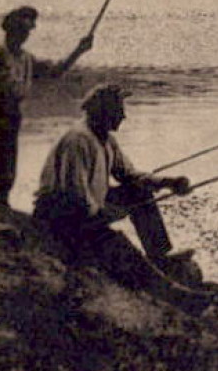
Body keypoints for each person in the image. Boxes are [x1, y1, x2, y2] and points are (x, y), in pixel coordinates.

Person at [32, 84, 208, 307]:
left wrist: (167, 183)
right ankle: (172, 293)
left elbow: (128, 175)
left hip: (86, 204)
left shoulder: (106, 139)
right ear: (103, 112)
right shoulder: (78, 140)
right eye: (118, 110)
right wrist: (102, 213)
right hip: (62, 214)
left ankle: (159, 257)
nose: (124, 116)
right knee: (117, 243)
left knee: (139, 192)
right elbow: (75, 192)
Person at [0, 6, 93, 205]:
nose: (24, 36)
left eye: (26, 32)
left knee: (7, 174)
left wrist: (79, 51)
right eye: (20, 31)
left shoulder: (26, 58)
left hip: (10, 115)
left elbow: (55, 72)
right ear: (10, 30)